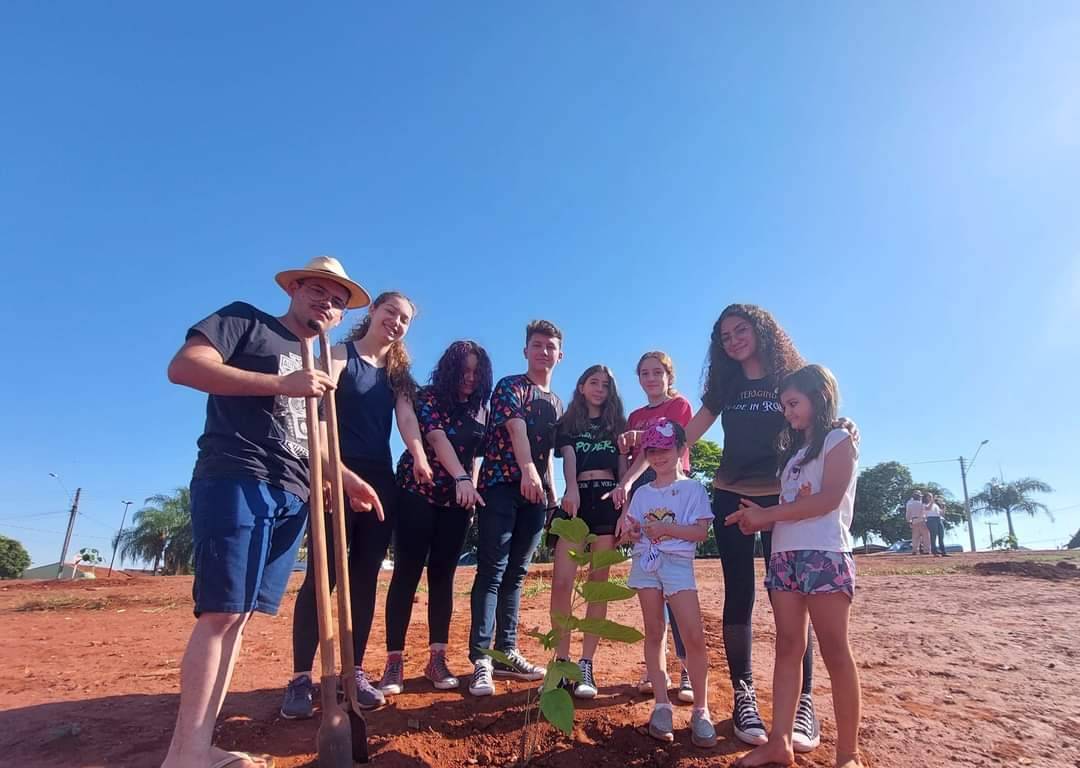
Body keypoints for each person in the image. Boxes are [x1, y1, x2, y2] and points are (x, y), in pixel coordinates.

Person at [163, 256, 383, 768]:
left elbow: (310, 438)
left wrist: (345, 479)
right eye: (318, 291)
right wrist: (281, 384)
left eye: (337, 299)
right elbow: (185, 367)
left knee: (238, 619)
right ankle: (184, 754)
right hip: (237, 475)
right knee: (220, 614)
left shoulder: (321, 359)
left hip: (293, 491)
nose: (326, 302)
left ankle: (199, 746)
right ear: (296, 288)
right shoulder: (245, 321)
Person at [613, 304, 820, 749]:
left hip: (782, 495)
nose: (733, 340)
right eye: (724, 336)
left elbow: (815, 419)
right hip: (730, 493)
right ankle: (743, 693)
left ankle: (804, 700)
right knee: (739, 591)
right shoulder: (724, 385)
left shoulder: (791, 376)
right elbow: (685, 433)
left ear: (762, 330)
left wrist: (844, 427)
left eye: (740, 331)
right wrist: (645, 439)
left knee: (791, 596)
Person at [282, 291, 430, 717]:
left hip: (380, 479)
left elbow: (406, 419)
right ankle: (299, 679)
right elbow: (317, 417)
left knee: (364, 579)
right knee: (322, 578)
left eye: (404, 320)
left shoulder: (397, 374)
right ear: (372, 312)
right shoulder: (340, 356)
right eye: (391, 313)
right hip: (335, 474)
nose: (397, 323)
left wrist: (418, 457)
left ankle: (354, 672)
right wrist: (331, 475)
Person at [726, 364, 862, 768]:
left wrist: (768, 517)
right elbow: (792, 507)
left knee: (836, 651)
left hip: (824, 555)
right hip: (785, 557)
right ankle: (779, 742)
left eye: (793, 403)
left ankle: (848, 754)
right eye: (784, 405)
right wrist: (759, 514)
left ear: (819, 397)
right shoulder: (795, 454)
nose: (787, 412)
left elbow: (827, 500)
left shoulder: (840, 439)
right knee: (787, 647)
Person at [378, 341, 493, 694]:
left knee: (443, 578)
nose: (469, 378)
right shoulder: (427, 397)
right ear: (449, 369)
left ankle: (437, 659)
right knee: (407, 574)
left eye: (476, 372)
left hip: (457, 504)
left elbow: (475, 457)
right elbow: (437, 438)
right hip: (418, 492)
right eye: (464, 371)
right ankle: (393, 663)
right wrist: (461, 478)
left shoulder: (481, 411)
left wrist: (469, 490)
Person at [468, 320, 565, 696]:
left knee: (517, 574)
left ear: (560, 354)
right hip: (501, 486)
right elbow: (516, 431)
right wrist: (527, 471)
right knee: (492, 570)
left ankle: (507, 652)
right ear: (525, 351)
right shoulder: (511, 386)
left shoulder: (557, 404)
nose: (543, 351)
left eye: (550, 346)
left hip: (536, 495)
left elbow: (549, 457)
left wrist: (551, 496)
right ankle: (482, 659)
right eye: (537, 345)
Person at [620, 419, 716, 748]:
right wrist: (633, 533)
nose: (659, 456)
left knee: (693, 635)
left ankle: (701, 709)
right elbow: (633, 530)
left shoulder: (693, 489)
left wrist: (666, 531)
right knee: (654, 630)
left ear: (679, 450)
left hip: (677, 564)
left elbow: (701, 532)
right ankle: (662, 704)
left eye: (665, 449)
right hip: (646, 562)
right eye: (652, 451)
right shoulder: (642, 493)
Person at [548, 364, 627, 698]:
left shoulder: (617, 425)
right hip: (575, 501)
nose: (599, 389)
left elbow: (623, 466)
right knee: (562, 582)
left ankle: (585, 665)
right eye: (593, 382)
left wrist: (624, 501)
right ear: (581, 387)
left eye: (605, 385)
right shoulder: (567, 424)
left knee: (598, 584)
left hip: (608, 500)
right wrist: (571, 489)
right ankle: (561, 661)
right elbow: (567, 457)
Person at [620, 351, 694, 702]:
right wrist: (627, 486)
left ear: (668, 375)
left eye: (657, 372)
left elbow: (673, 443)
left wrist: (640, 434)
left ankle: (687, 671)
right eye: (644, 373)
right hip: (646, 492)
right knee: (651, 583)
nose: (651, 378)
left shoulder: (680, 405)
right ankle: (656, 669)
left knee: (677, 588)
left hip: (675, 494)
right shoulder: (634, 415)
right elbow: (637, 458)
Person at [905, 491, 930, 555]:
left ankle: (914, 550)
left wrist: (909, 521)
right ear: (919, 497)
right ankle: (926, 550)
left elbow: (908, 514)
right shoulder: (922, 504)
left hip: (914, 520)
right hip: (922, 520)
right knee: (925, 536)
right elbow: (926, 512)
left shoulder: (910, 504)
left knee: (915, 537)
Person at [923, 492, 947, 557]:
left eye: (931, 496)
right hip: (931, 519)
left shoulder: (935, 505)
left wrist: (943, 507)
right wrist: (933, 501)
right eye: (929, 497)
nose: (931, 498)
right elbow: (928, 508)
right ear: (926, 498)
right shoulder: (924, 504)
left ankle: (943, 551)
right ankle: (934, 551)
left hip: (938, 519)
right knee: (933, 536)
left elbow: (942, 514)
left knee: (941, 535)